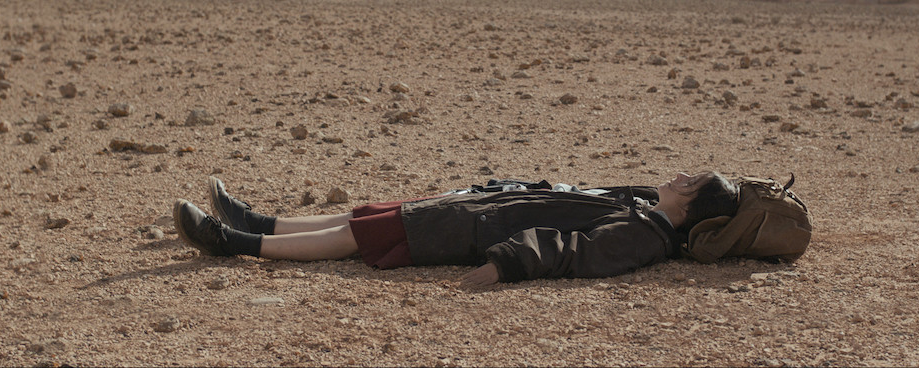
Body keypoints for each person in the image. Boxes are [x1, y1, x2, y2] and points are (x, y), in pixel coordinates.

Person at [173, 171, 739, 287]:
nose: (678, 175)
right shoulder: (644, 208)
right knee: (366, 216)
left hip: (475, 230)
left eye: (689, 180)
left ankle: (236, 244)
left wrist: (504, 265)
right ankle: (257, 221)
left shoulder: (646, 235)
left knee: (358, 238)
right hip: (484, 207)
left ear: (689, 206)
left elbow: (573, 250)